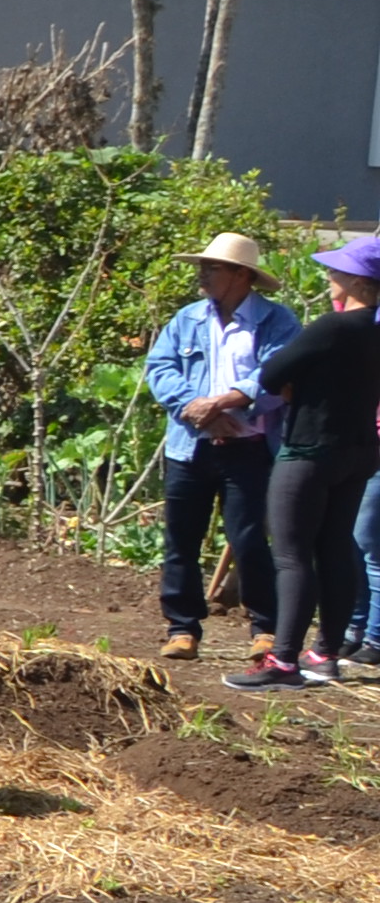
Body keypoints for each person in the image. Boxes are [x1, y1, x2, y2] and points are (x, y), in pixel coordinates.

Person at [234, 237, 380, 691]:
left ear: (358, 280)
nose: (329, 276)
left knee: (292, 556)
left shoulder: (331, 328)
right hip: (358, 451)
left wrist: (300, 383)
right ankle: (325, 655)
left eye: (337, 271)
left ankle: (282, 662)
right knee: (335, 547)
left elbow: (272, 376)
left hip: (309, 449)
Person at [143, 234, 292, 665]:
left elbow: (278, 373)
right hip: (190, 446)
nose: (202, 275)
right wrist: (196, 409)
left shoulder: (276, 321)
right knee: (181, 540)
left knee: (248, 539)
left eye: (213, 268)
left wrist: (227, 401)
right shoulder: (187, 319)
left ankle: (265, 628)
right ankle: (182, 628)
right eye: (203, 267)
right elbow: (160, 368)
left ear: (242, 275)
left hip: (248, 447)